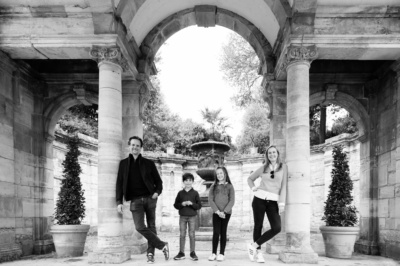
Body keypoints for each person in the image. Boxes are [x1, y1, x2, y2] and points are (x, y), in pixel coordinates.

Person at [116, 136, 169, 264]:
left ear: (141, 148)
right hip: (135, 201)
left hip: (150, 199)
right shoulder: (123, 164)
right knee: (139, 226)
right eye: (133, 145)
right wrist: (119, 202)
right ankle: (162, 245)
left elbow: (158, 182)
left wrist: (157, 192)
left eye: (137, 146)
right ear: (129, 146)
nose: (135, 147)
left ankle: (150, 254)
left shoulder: (148, 163)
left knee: (151, 226)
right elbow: (119, 183)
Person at [246, 145, 288, 263]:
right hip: (259, 199)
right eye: (269, 153)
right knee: (258, 226)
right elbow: (250, 179)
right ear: (267, 155)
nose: (272, 155)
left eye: (274, 152)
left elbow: (284, 186)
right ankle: (258, 253)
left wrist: (282, 204)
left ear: (277, 154)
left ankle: (253, 246)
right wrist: (253, 188)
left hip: (273, 202)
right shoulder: (263, 168)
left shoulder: (283, 167)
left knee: (277, 227)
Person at [208, 166, 235, 262]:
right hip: (216, 213)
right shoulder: (213, 186)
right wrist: (217, 211)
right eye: (218, 173)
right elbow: (210, 200)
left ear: (225, 174)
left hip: (226, 213)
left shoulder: (230, 186)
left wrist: (224, 212)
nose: (219, 175)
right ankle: (213, 253)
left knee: (223, 232)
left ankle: (221, 253)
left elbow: (232, 200)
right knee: (216, 232)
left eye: (221, 173)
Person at [173, 173, 202, 261]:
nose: (188, 182)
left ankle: (192, 253)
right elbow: (175, 205)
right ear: (183, 182)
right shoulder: (180, 193)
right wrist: (182, 204)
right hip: (182, 216)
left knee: (192, 234)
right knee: (182, 234)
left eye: (190, 180)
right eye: (186, 180)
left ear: (192, 182)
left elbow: (199, 206)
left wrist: (192, 204)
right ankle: (181, 253)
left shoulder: (195, 193)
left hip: (192, 217)